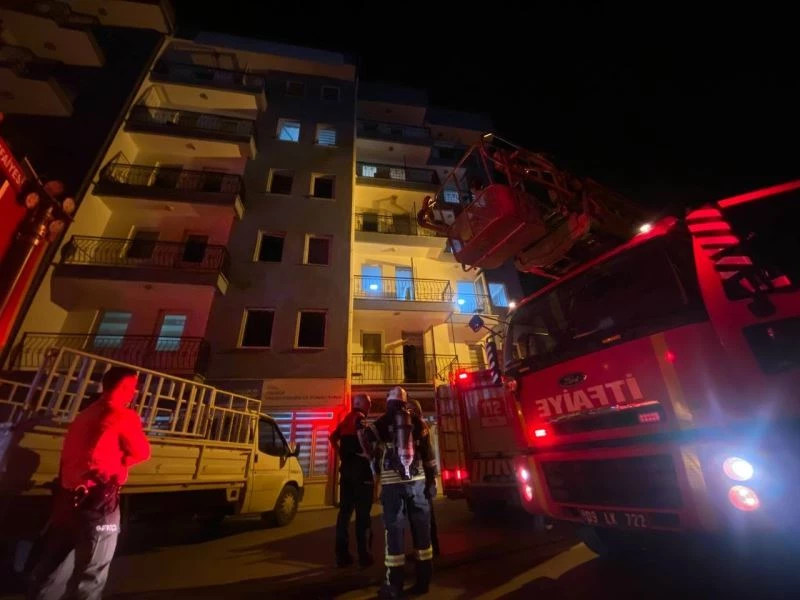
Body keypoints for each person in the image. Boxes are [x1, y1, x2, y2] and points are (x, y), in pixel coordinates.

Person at [28, 366, 151, 600]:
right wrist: (121, 460)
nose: (134, 393)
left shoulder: (85, 415)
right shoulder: (122, 415)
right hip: (98, 503)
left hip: (66, 500)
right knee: (91, 575)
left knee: (54, 569)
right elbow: (142, 452)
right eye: (133, 388)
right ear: (125, 388)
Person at [359, 387, 438, 599]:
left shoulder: (382, 422)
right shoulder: (419, 423)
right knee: (422, 532)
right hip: (418, 484)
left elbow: (365, 438)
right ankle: (424, 582)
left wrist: (374, 460)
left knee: (394, 534)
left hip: (392, 486)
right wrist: (432, 481)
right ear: (406, 402)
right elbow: (429, 457)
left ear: (389, 403)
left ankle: (394, 586)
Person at [329, 393, 374, 568]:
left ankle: (342, 555)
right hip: (361, 473)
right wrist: (368, 455)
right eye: (369, 404)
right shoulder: (360, 420)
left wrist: (342, 455)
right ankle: (364, 555)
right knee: (363, 515)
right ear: (362, 405)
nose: (369, 407)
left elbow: (332, 438)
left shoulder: (346, 419)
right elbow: (364, 439)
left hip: (346, 472)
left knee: (344, 514)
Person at [407, 399, 440, 557]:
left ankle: (430, 549)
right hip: (418, 479)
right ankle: (424, 548)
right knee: (419, 516)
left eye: (412, 409)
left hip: (423, 479)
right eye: (408, 409)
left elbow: (428, 454)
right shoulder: (414, 427)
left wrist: (432, 477)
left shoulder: (419, 426)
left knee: (425, 516)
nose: (409, 411)